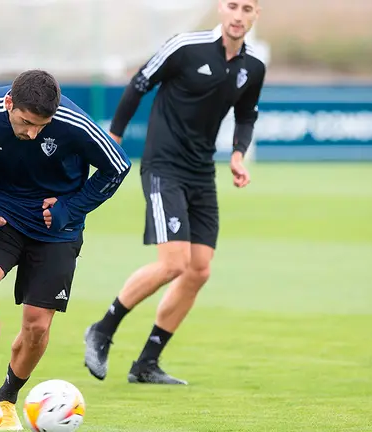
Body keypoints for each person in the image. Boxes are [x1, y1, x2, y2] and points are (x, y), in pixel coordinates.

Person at [83, 0, 265, 385]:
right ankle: (103, 329)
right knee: (174, 263)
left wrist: (237, 155)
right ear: (221, 9)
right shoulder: (185, 46)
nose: (238, 15)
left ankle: (146, 363)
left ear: (255, 15)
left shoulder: (253, 68)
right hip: (164, 167)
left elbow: (246, 114)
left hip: (202, 173)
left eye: (247, 8)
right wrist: (113, 137)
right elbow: (139, 83)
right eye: (233, 5)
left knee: (199, 270)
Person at [0, 69, 131, 429]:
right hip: (0, 216)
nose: (33, 133)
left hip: (57, 229)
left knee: (36, 327)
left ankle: (7, 401)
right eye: (26, 122)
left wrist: (69, 209)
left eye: (42, 126)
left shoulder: (75, 123)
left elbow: (117, 167)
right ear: (9, 103)